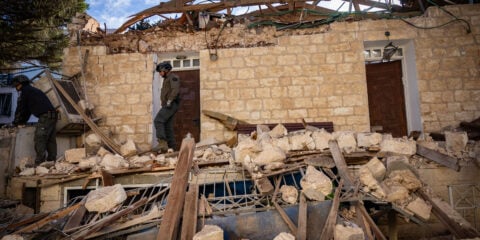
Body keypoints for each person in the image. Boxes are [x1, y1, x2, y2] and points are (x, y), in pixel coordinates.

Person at [12, 75, 58, 165]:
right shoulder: (33, 90)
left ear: (19, 84)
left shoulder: (25, 91)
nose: (16, 87)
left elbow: (22, 109)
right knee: (50, 139)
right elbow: (28, 110)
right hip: (53, 116)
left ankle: (40, 162)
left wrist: (16, 122)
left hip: (45, 116)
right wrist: (22, 121)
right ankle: (52, 161)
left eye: (16, 85)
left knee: (39, 137)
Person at [154, 61, 180, 153]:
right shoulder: (166, 79)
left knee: (158, 120)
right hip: (168, 104)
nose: (160, 74)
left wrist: (169, 100)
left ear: (166, 70)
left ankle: (162, 143)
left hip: (170, 104)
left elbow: (175, 90)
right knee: (167, 126)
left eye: (161, 71)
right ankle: (171, 148)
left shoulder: (173, 77)